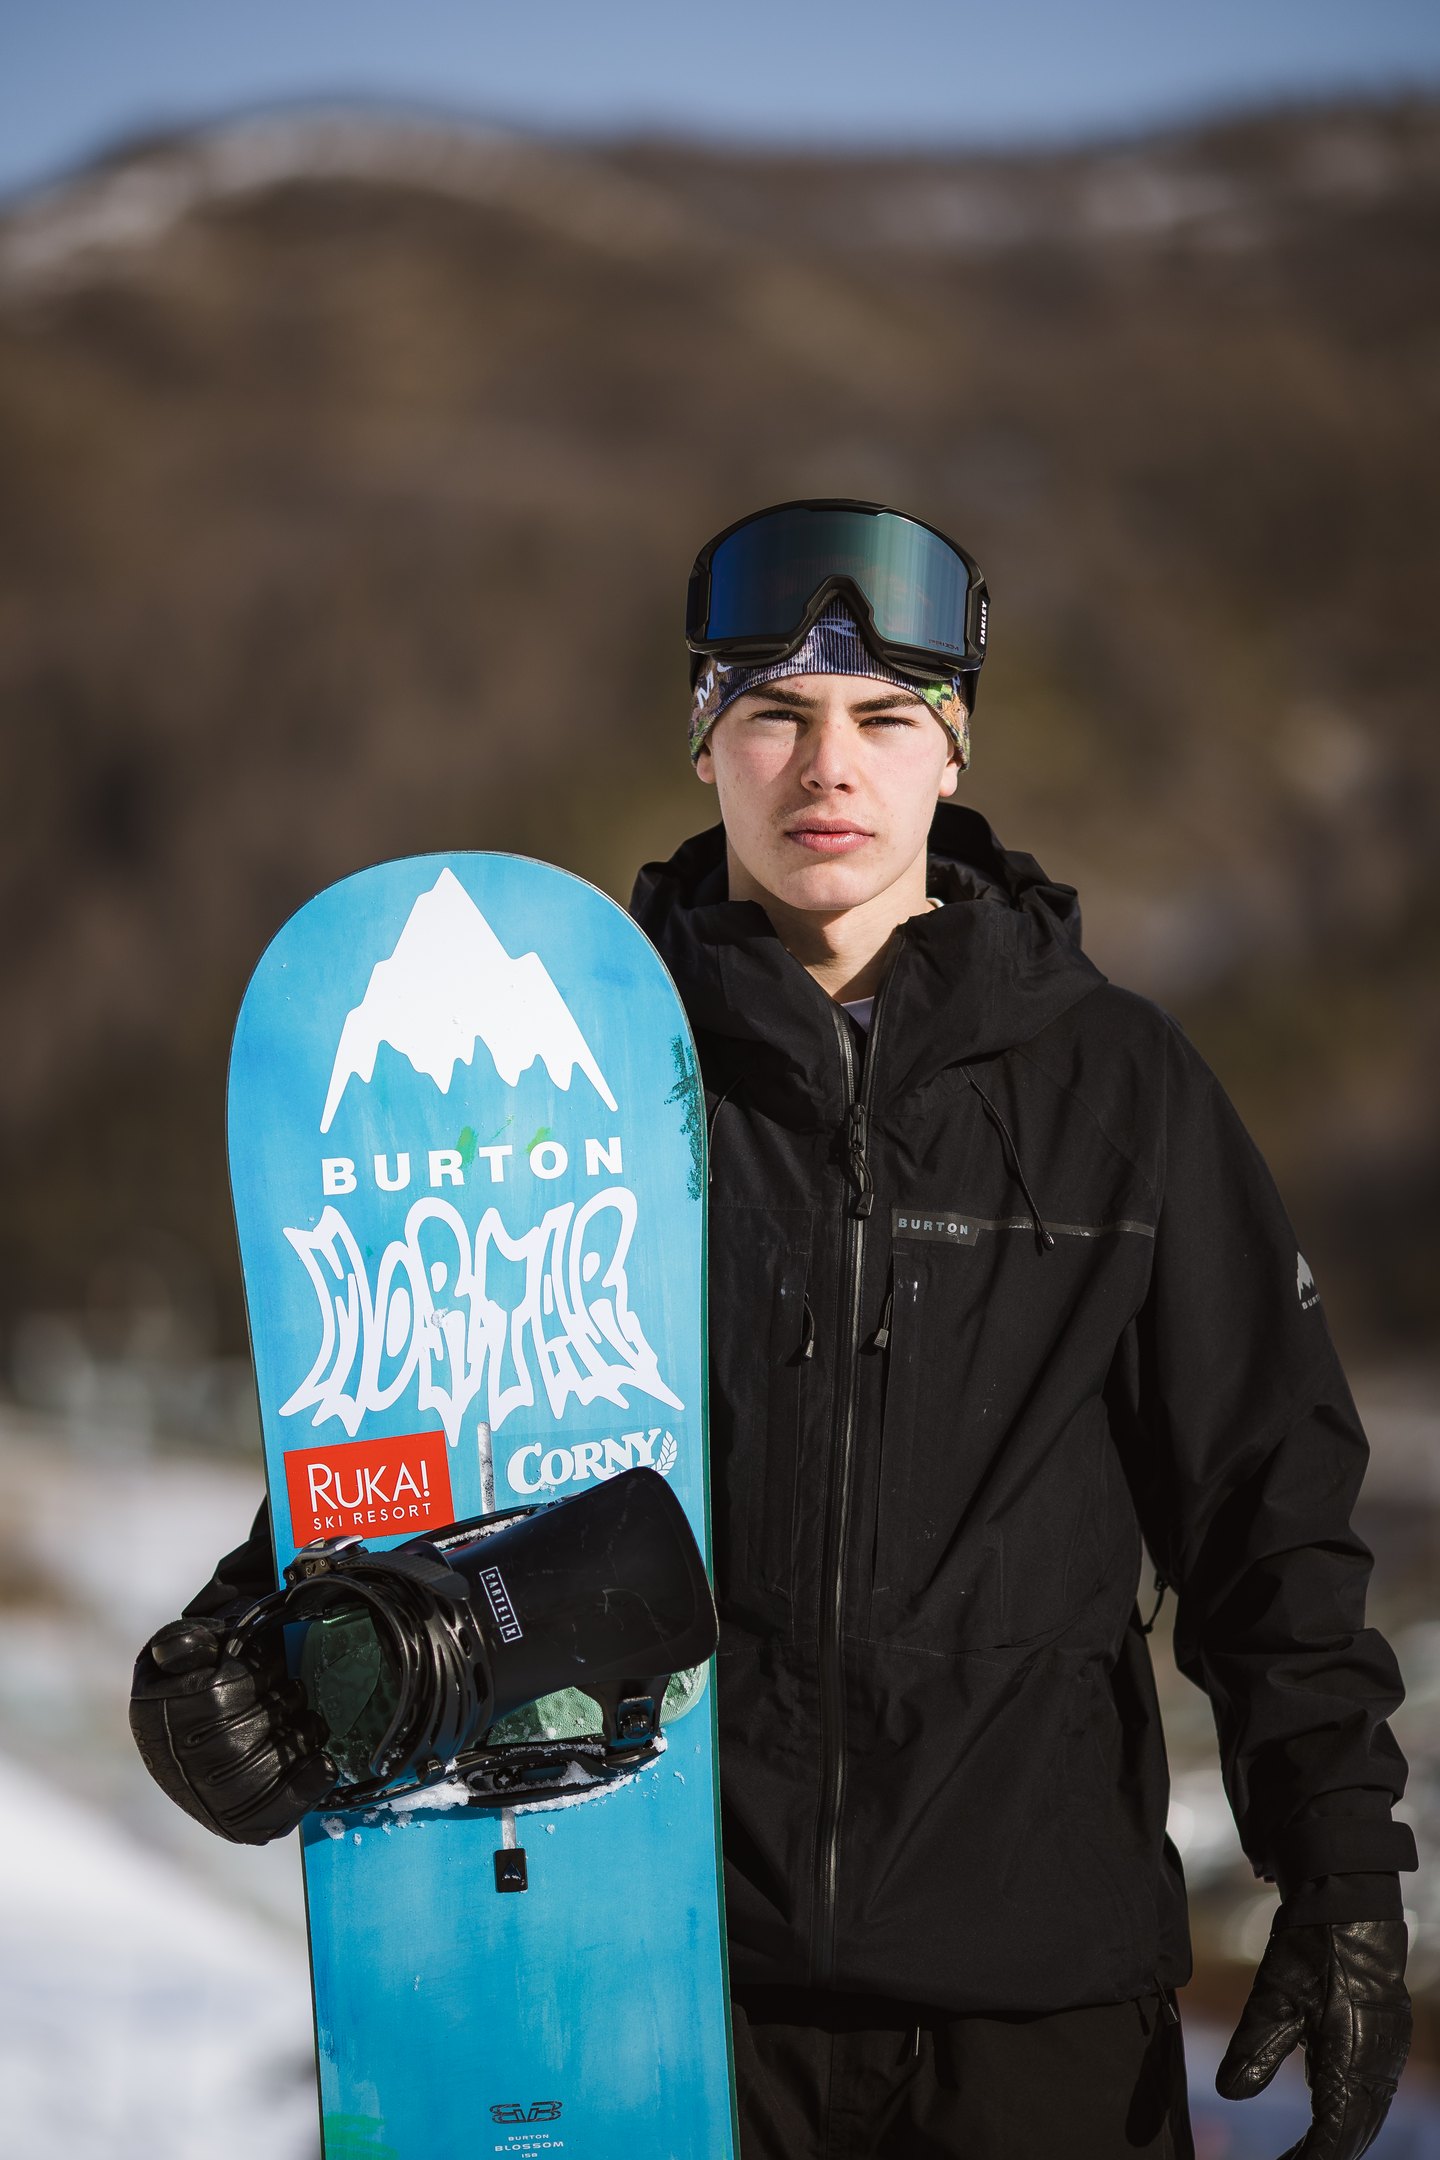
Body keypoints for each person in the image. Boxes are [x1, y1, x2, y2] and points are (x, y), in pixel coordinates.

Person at [133, 499, 1416, 2158]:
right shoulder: (583, 1093)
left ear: (952, 752)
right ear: (705, 745)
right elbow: (419, 1437)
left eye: (884, 718)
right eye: (776, 715)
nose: (829, 767)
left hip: (1033, 2003)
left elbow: (1269, 1515)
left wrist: (1340, 1865)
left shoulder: (1120, 1093)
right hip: (665, 1990)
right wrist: (252, 1658)